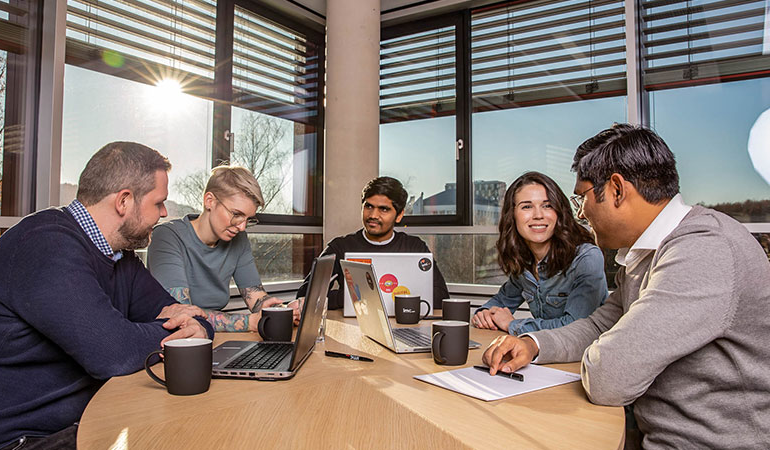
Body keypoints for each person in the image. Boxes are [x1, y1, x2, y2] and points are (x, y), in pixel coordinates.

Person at [482, 124, 770, 448]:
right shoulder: (643, 256)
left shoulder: (704, 250)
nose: (581, 213)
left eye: (583, 199)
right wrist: (534, 343)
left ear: (617, 189)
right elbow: (599, 326)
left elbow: (610, 377)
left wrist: (598, 357)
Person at [0, 142, 214, 450]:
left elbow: (191, 318)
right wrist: (176, 333)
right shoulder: (45, 244)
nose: (164, 213)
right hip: (16, 440)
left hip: (86, 422)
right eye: (158, 203)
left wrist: (194, 327)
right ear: (124, 201)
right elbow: (114, 353)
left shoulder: (120, 258)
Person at [147, 165, 294, 332]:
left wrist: (282, 309)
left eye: (248, 219)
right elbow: (182, 314)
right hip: (175, 339)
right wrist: (250, 322)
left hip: (213, 335)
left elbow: (257, 299)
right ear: (210, 201)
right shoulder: (167, 236)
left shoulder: (238, 239)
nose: (242, 227)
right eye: (236, 214)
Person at [472, 172, 608, 335]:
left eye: (547, 205)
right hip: (545, 355)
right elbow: (498, 303)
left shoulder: (586, 258)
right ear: (513, 215)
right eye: (527, 207)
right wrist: (484, 315)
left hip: (586, 356)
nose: (538, 215)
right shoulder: (524, 263)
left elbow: (576, 328)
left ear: (559, 212)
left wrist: (513, 325)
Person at [296, 176, 449, 310]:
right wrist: (351, 297)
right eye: (368, 206)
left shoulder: (414, 247)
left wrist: (383, 295)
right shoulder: (340, 247)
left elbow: (441, 297)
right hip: (353, 330)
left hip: (404, 326)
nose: (373, 215)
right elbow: (305, 296)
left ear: (399, 215)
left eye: (383, 209)